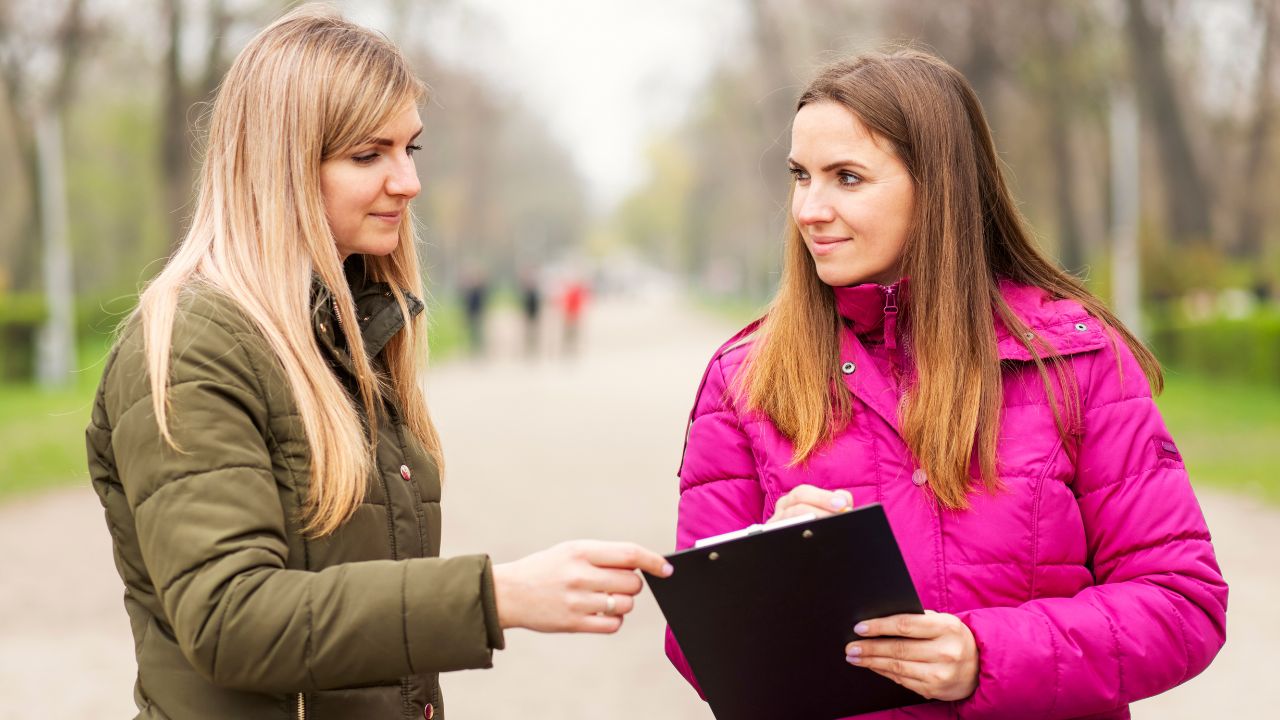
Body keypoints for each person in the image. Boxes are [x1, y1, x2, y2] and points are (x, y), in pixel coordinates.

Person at [84, 7, 670, 719]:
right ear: (280, 165)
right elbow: (229, 617)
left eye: (409, 148)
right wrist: (496, 596)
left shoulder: (347, 327)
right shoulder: (195, 343)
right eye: (369, 155)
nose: (408, 181)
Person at [667, 49, 1227, 718]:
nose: (809, 209)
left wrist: (986, 657)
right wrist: (768, 567)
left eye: (847, 177)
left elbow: (1182, 604)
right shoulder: (744, 378)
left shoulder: (1076, 360)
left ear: (938, 188)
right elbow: (697, 650)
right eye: (801, 176)